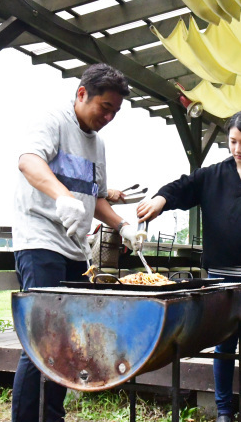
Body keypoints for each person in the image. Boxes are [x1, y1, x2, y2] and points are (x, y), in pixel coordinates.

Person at [137, 110, 241, 422]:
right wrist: (160, 200)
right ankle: (224, 411)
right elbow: (182, 187)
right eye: (233, 141)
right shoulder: (213, 174)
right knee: (224, 343)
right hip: (218, 278)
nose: (237, 148)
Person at [11, 63, 146, 422]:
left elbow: (96, 197)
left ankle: (51, 416)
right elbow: (28, 161)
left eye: (115, 111)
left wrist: (123, 226)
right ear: (82, 93)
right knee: (43, 339)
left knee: (66, 341)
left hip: (75, 248)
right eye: (105, 107)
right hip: (40, 240)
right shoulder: (52, 121)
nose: (109, 116)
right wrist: (60, 195)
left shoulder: (98, 143)